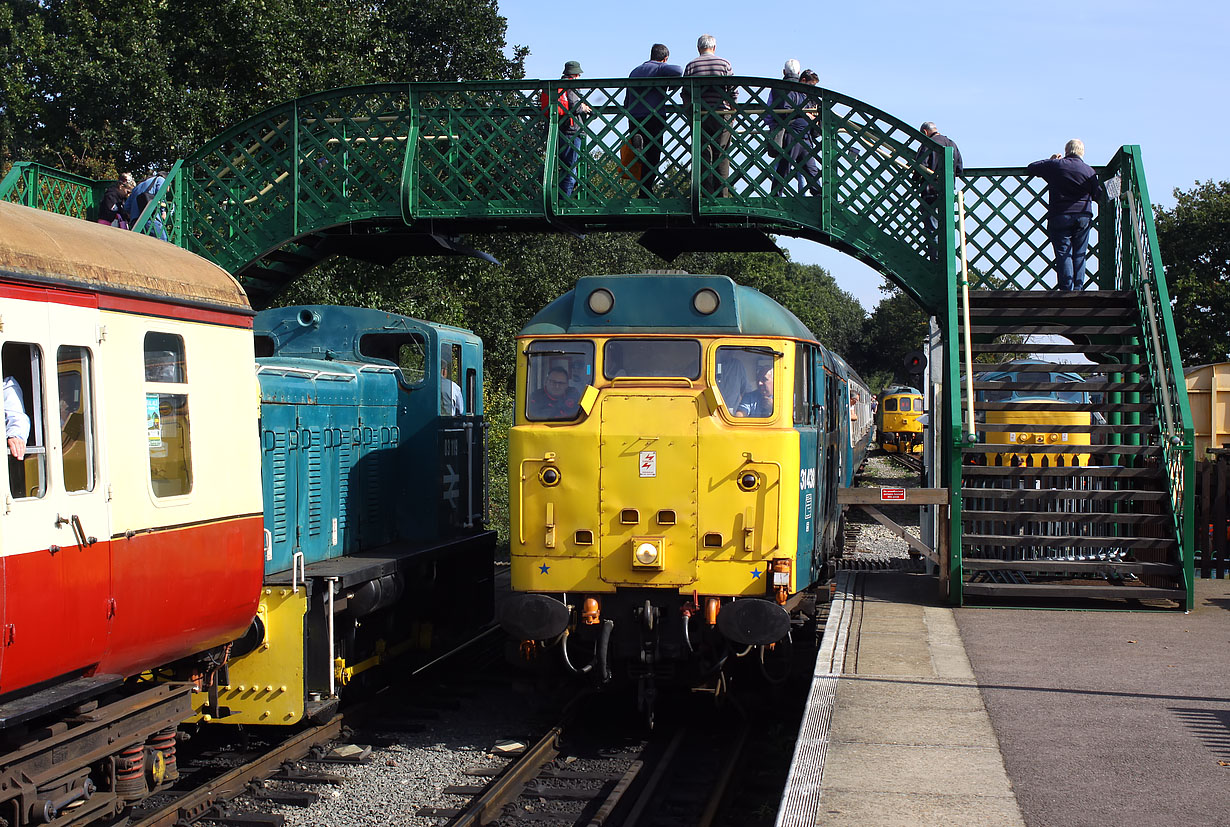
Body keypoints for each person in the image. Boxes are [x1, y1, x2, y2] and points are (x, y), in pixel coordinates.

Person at [1026, 139, 1103, 291]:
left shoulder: (1057, 165)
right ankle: (1078, 288)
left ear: (1066, 150)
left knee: (1063, 253)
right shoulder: (1089, 171)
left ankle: (1066, 289)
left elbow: (1032, 167)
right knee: (1080, 253)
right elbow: (1098, 195)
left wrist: (1052, 160)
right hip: (1083, 214)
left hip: (1060, 214)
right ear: (1082, 152)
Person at [625, 44, 683, 196]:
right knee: (653, 156)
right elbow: (678, 71)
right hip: (653, 116)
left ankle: (637, 138)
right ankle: (646, 190)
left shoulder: (635, 71)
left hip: (635, 117)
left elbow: (626, 99)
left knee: (641, 156)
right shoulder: (659, 68)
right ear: (664, 59)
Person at [683, 35, 736, 198]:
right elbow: (733, 89)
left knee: (704, 154)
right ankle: (723, 194)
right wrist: (732, 110)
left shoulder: (691, 65)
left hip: (701, 115)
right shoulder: (725, 64)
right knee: (721, 154)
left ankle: (706, 193)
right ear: (714, 47)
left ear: (698, 48)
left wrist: (689, 112)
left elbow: (685, 92)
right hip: (722, 114)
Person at [763, 62, 821, 197]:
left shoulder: (783, 88)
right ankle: (817, 194)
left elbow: (779, 110)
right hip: (796, 133)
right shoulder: (798, 91)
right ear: (800, 74)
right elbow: (786, 111)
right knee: (797, 167)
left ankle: (778, 194)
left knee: (792, 167)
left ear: (784, 72)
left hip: (799, 134)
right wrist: (806, 114)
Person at [914, 123, 964, 261]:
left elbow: (920, 166)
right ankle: (947, 260)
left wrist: (915, 179)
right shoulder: (952, 144)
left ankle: (937, 261)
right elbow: (959, 170)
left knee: (932, 229)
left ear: (925, 132)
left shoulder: (928, 144)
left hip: (930, 193)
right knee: (946, 230)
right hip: (947, 194)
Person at [553, 61, 593, 197]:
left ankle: (559, 197)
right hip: (571, 131)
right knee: (571, 171)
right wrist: (585, 108)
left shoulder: (558, 86)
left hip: (560, 130)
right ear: (575, 74)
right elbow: (574, 105)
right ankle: (563, 200)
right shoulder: (570, 86)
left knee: (565, 168)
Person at [124, 173, 168, 240]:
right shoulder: (160, 179)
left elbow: (127, 207)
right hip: (151, 219)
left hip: (135, 222)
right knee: (163, 242)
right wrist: (163, 211)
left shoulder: (137, 187)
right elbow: (161, 196)